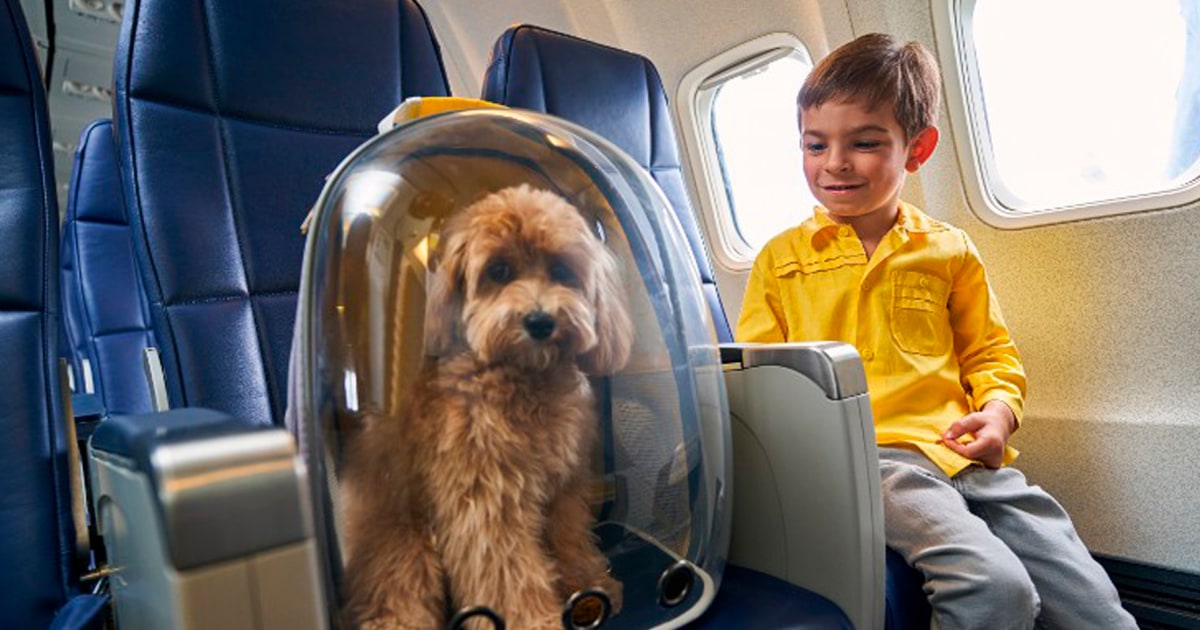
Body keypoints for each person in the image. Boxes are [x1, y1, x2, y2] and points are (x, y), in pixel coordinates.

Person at [735, 33, 1136, 630]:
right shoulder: (781, 258)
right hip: (869, 460)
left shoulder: (948, 249)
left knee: (1095, 607)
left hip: (964, 456)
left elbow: (991, 352)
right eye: (815, 144)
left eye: (864, 143)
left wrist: (998, 415)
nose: (834, 163)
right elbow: (758, 380)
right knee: (993, 587)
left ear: (917, 149)